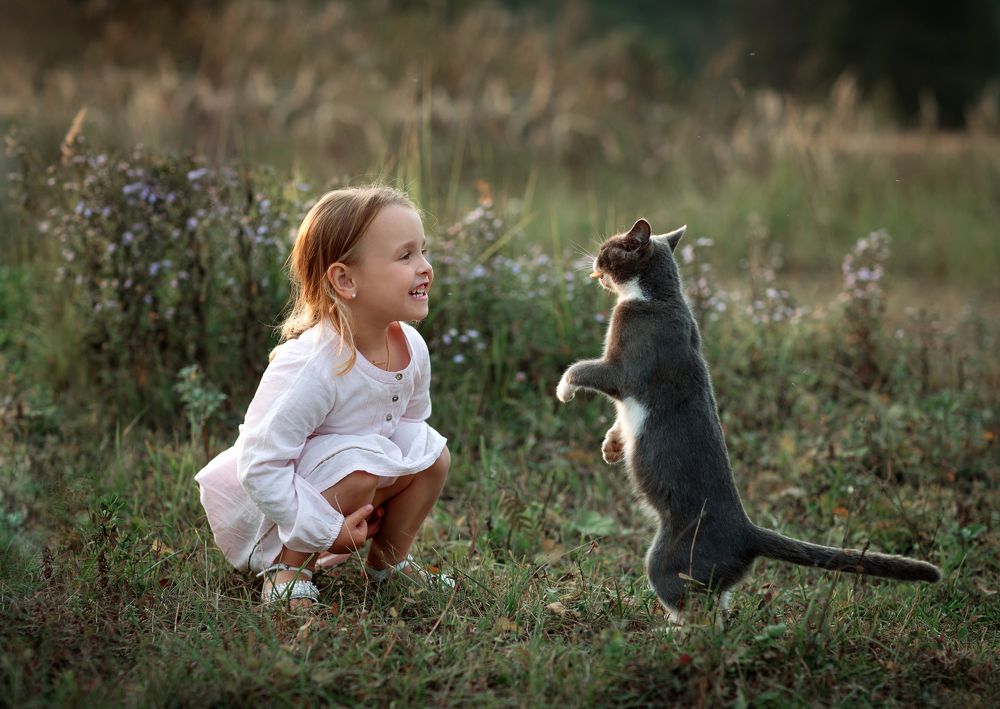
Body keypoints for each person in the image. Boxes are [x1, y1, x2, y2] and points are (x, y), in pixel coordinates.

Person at [195, 186, 451, 609]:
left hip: (350, 479)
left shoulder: (411, 346)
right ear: (345, 280)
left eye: (423, 252)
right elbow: (260, 466)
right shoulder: (313, 365)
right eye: (405, 256)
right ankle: (287, 573)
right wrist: (323, 529)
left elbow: (410, 427)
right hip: (276, 510)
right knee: (362, 469)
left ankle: (388, 565)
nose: (425, 268)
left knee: (433, 456)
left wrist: (393, 486)